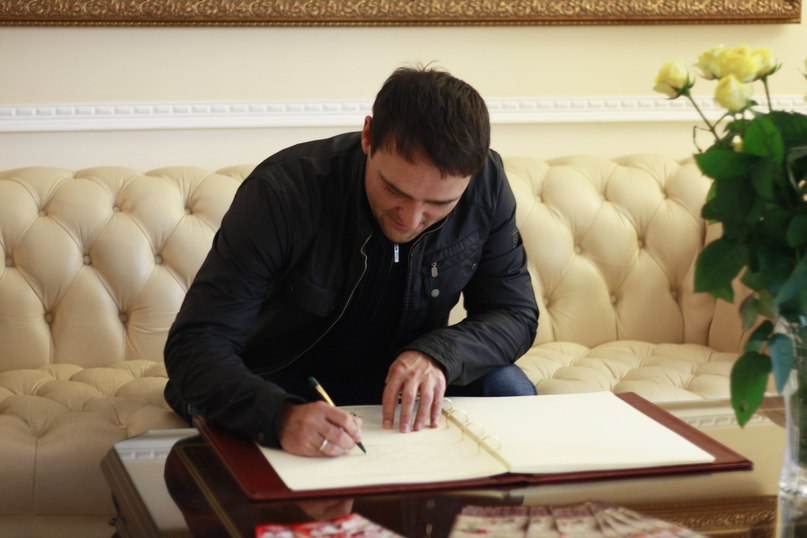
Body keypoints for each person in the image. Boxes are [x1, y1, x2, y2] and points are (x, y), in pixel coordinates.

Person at [163, 65, 539, 458]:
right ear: (368, 136)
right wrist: (278, 417)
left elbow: (514, 312)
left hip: (401, 387)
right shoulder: (282, 192)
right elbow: (196, 344)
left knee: (507, 386)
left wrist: (439, 355)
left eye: (439, 204)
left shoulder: (487, 185)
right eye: (394, 190)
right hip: (278, 386)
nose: (410, 219)